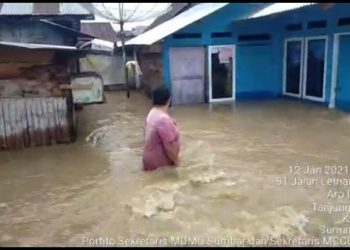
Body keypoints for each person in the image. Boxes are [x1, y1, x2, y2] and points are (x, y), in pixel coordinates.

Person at [143, 86, 180, 171]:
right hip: (161, 165)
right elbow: (169, 147)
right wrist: (177, 163)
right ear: (168, 100)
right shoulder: (163, 120)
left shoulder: (152, 113)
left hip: (150, 161)